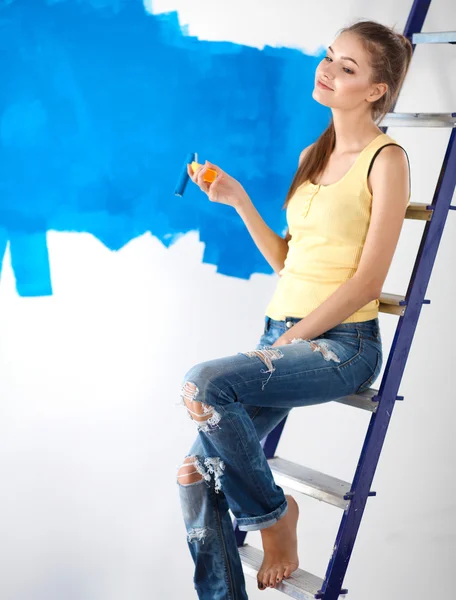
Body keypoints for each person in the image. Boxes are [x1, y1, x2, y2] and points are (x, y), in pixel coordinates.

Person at [176, 18, 413, 599]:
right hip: (284, 332)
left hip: (341, 344)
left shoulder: (387, 161)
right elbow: (290, 262)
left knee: (201, 384)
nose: (328, 69)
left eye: (348, 67)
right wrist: (237, 200)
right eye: (330, 56)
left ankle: (275, 517)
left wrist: (293, 338)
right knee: (192, 478)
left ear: (376, 90)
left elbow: (367, 282)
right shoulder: (316, 153)